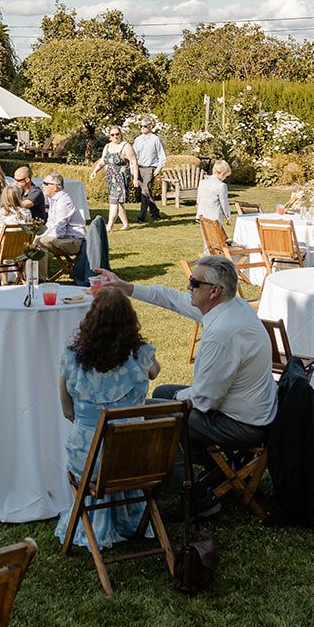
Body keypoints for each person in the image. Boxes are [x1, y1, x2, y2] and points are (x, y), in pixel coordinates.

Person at [95, 255, 276, 520]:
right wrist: (126, 287)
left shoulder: (222, 333)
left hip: (243, 424)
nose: (188, 286)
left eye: (194, 282)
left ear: (214, 291)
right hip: (249, 409)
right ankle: (213, 471)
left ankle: (195, 493)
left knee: (147, 413)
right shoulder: (231, 305)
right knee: (163, 393)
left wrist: (178, 398)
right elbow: (171, 298)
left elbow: (205, 401)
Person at [55, 287, 161, 548]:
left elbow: (67, 411)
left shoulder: (71, 358)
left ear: (91, 320)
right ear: (130, 321)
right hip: (137, 459)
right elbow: (155, 371)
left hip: (89, 459)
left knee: (94, 450)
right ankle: (129, 518)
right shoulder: (142, 355)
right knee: (121, 446)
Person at [89, 127, 139, 231]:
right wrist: (95, 171)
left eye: (117, 134)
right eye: (112, 135)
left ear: (120, 134)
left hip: (121, 177)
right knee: (117, 201)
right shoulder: (107, 146)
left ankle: (109, 226)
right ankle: (126, 224)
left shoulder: (126, 147)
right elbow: (103, 160)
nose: (115, 136)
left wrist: (135, 178)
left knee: (114, 201)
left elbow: (134, 162)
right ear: (110, 136)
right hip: (110, 177)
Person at [34, 173, 86, 256]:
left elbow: (59, 230)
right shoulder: (54, 199)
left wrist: (42, 237)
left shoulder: (63, 202)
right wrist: (41, 234)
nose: (43, 186)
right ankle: (35, 263)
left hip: (75, 241)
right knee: (37, 240)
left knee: (40, 242)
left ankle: (37, 264)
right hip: (66, 238)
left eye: (46, 184)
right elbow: (50, 224)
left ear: (55, 187)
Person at [130, 118, 167, 222]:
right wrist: (132, 168)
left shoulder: (155, 139)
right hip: (139, 167)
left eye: (145, 126)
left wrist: (158, 169)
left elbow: (162, 155)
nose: (142, 128)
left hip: (150, 168)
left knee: (145, 192)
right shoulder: (138, 140)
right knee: (147, 192)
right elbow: (133, 155)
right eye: (141, 126)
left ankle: (141, 217)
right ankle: (155, 212)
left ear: (150, 127)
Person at [195, 160, 232, 225]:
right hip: (215, 220)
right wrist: (228, 218)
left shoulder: (202, 183)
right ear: (223, 174)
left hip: (203, 218)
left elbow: (198, 201)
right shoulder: (221, 186)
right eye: (225, 176)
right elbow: (224, 204)